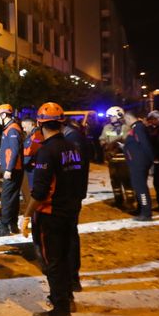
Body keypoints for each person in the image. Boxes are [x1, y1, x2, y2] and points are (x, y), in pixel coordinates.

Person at [20, 102, 83, 316]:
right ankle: (67, 299)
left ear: (39, 123)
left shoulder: (46, 151)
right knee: (65, 257)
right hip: (70, 211)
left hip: (51, 215)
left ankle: (61, 314)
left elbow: (39, 192)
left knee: (53, 262)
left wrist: (27, 215)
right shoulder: (72, 146)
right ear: (62, 122)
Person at [62, 117, 91, 293]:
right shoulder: (76, 137)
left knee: (68, 236)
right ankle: (72, 278)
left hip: (69, 196)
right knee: (71, 234)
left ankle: (71, 279)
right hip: (75, 194)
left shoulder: (70, 140)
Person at [0, 103, 23, 237]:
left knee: (6, 198)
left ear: (4, 115)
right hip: (15, 169)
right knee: (13, 198)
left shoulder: (12, 130)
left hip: (13, 170)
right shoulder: (11, 128)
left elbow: (15, 151)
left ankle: (3, 226)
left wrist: (9, 169)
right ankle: (12, 225)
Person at [124, 111, 155, 221]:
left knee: (141, 188)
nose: (125, 122)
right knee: (137, 187)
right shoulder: (137, 127)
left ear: (128, 118)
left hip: (139, 163)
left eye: (125, 120)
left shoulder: (138, 128)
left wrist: (152, 160)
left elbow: (145, 144)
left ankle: (146, 213)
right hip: (136, 162)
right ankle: (140, 209)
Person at [100, 106, 133, 209]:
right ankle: (118, 200)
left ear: (119, 115)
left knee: (126, 180)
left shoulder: (126, 127)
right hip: (112, 160)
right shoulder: (107, 127)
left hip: (123, 159)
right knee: (114, 180)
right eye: (110, 117)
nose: (110, 118)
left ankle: (130, 201)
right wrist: (105, 146)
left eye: (112, 116)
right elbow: (102, 139)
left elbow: (125, 140)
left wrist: (115, 147)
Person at [20, 116, 42, 206]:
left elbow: (31, 150)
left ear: (31, 124)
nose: (24, 130)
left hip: (33, 168)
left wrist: (19, 152)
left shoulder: (37, 135)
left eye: (25, 127)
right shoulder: (31, 135)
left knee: (33, 190)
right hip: (29, 167)